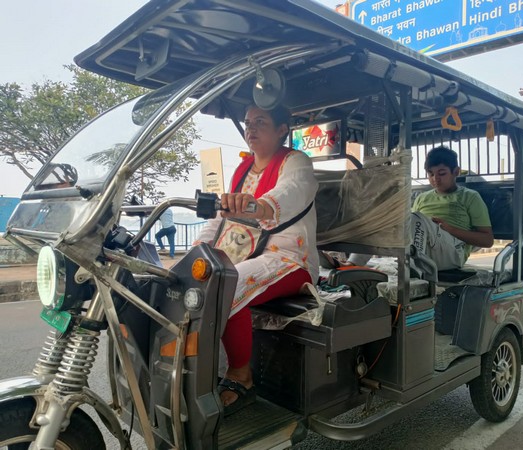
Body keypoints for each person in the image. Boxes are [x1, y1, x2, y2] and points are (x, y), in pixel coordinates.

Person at [195, 104, 318, 416]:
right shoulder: (242, 171)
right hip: (247, 254)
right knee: (193, 283)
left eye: (260, 122)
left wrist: (260, 206)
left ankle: (240, 375)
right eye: (248, 123)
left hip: (290, 258)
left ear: (281, 129)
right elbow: (221, 219)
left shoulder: (296, 162)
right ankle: (202, 371)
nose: (251, 129)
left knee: (225, 286)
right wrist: (197, 249)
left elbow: (293, 191)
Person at [324, 145, 493, 271]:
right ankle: (352, 264)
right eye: (431, 174)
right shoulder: (422, 197)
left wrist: (448, 228)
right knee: (384, 214)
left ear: (456, 172)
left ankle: (412, 269)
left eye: (442, 173)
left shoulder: (470, 197)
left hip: (453, 252)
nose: (436, 179)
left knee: (415, 217)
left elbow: (487, 240)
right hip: (425, 248)